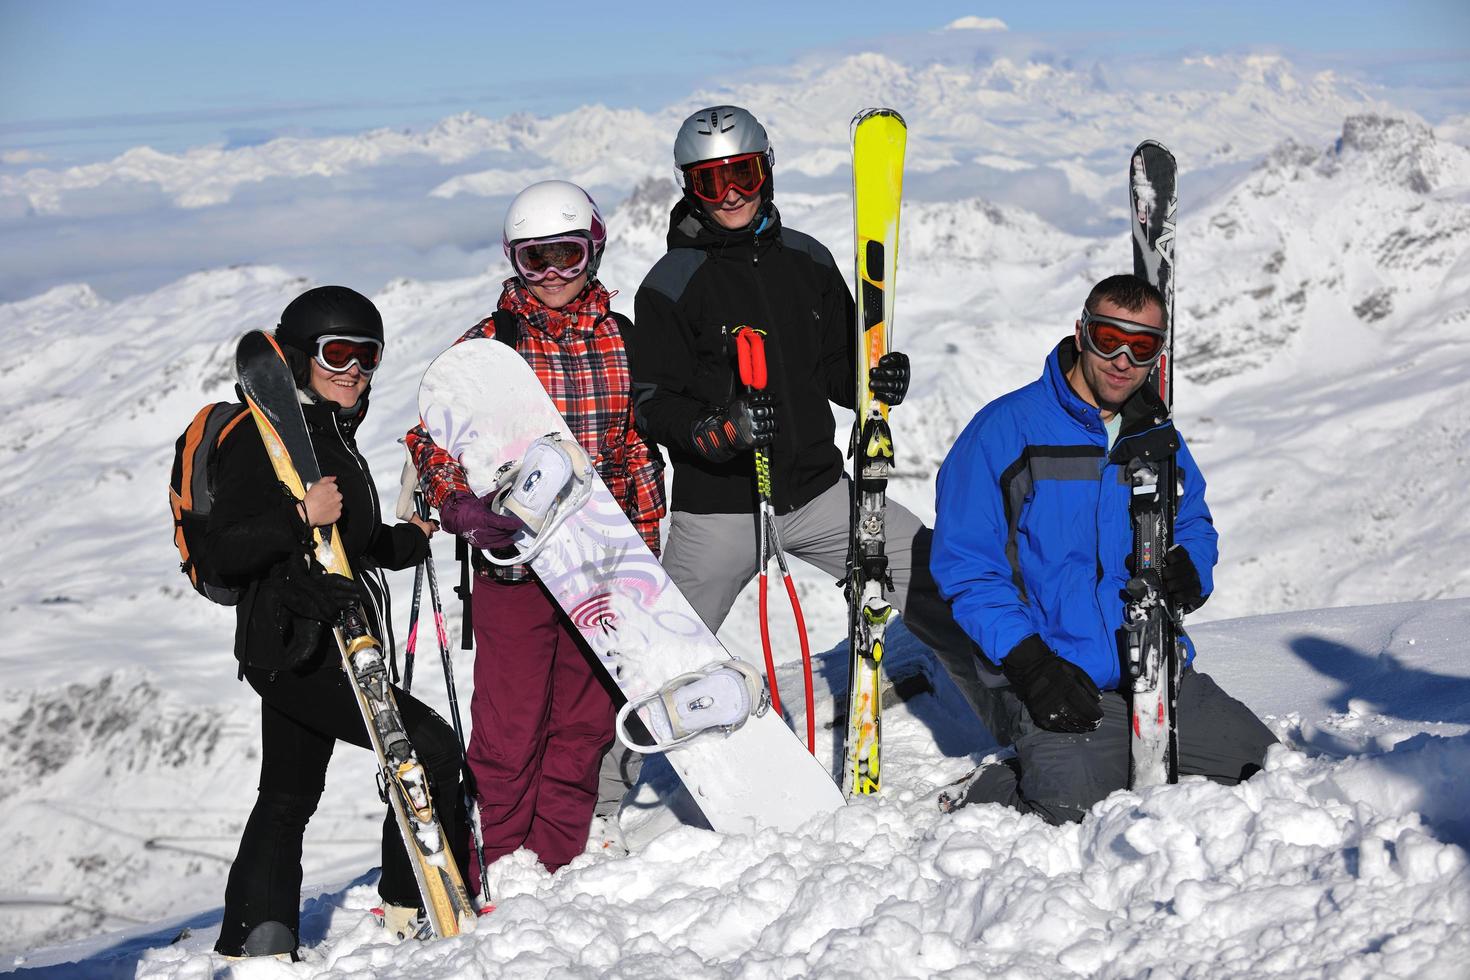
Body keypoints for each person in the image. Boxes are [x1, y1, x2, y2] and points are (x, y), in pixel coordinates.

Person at [623, 104, 979, 716]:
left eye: (745, 174)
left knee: (944, 586)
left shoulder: (807, 261)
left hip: (821, 496)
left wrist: (878, 379)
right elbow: (653, 403)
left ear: (767, 171)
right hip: (718, 515)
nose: (731, 194)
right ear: (688, 187)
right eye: (712, 181)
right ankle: (601, 802)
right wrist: (715, 432)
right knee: (657, 661)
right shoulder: (670, 284)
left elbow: (842, 372)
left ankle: (1019, 732)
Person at [929, 273, 1276, 824]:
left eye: (1140, 347)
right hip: (1051, 676)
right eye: (1107, 337)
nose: (1121, 359)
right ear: (1081, 332)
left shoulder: (1156, 437)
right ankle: (994, 788)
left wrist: (1193, 568)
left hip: (1155, 670)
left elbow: (1193, 521)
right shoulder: (1004, 432)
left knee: (1268, 774)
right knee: (1075, 813)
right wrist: (1031, 662)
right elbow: (968, 569)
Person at [405, 180, 665, 883]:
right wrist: (459, 504)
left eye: (567, 255)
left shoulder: (623, 338)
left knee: (583, 725)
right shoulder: (491, 345)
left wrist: (645, 541)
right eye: (534, 259)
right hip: (515, 566)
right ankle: (495, 860)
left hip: (600, 561)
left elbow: (635, 445)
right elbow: (431, 440)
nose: (552, 274)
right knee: (509, 728)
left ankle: (553, 862)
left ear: (596, 248)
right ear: (513, 261)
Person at [208, 285, 467, 958]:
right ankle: (412, 902)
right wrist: (299, 518)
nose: (355, 368)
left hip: (321, 646)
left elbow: (349, 538)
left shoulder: (330, 435)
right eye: (337, 352)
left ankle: (259, 939)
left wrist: (404, 540)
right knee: (431, 751)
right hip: (298, 651)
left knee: (288, 796)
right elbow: (223, 549)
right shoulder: (258, 441)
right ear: (298, 359)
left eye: (367, 355)